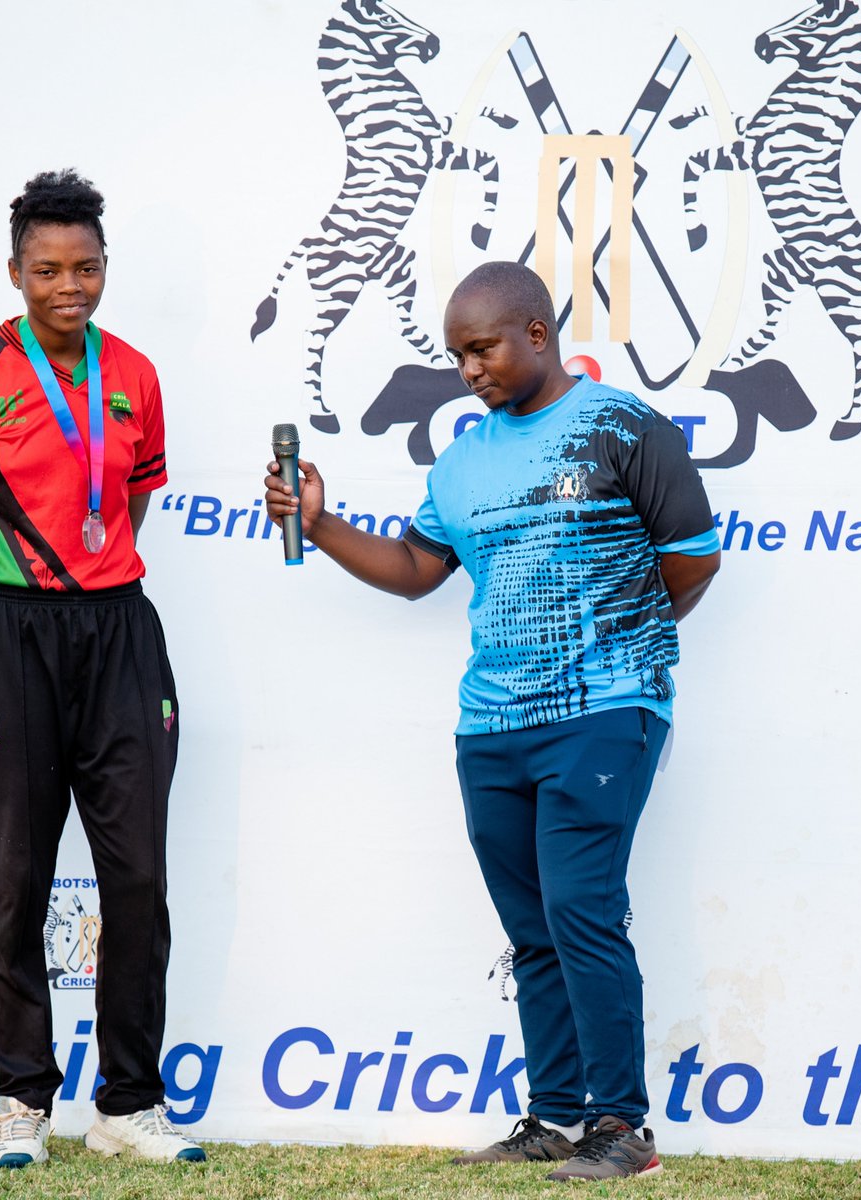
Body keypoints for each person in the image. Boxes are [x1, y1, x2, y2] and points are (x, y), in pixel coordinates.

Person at [264, 260, 720, 1182]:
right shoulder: (463, 460)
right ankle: (554, 1117)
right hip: (492, 726)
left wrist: (617, 640)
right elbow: (414, 569)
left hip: (607, 709)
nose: (469, 370)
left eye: (483, 349)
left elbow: (693, 561)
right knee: (533, 927)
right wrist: (319, 524)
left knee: (582, 909)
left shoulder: (624, 427)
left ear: (538, 336)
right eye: (457, 356)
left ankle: (621, 1129)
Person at [0, 169, 205, 1169]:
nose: (68, 285)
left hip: (118, 634)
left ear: (106, 267)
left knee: (140, 880)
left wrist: (84, 596)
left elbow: (133, 505)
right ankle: (21, 1102)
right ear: (15, 271)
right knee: (13, 882)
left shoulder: (138, 375)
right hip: (3, 636)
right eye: (47, 269)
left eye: (85, 267)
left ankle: (130, 1105)